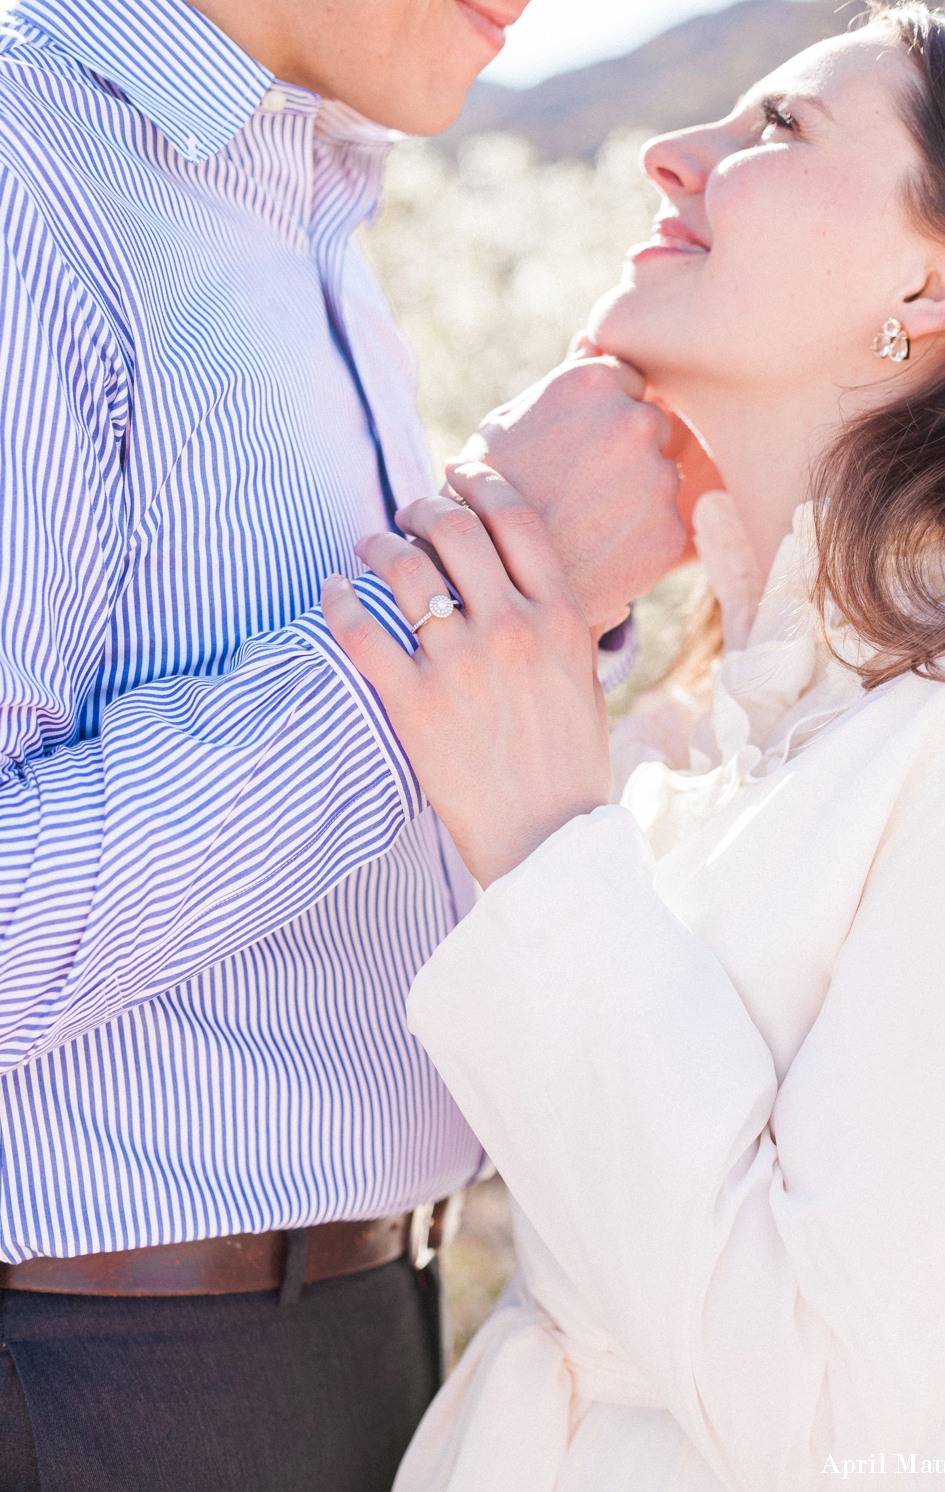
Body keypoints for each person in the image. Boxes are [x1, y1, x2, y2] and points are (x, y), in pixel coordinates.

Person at [0, 1, 687, 1488]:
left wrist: (512, 598)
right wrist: (478, 598)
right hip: (102, 1369)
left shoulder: (290, 203)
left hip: (332, 1338)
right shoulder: (26, 179)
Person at [322, 5, 945, 1486]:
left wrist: (549, 846)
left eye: (777, 130)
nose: (664, 155)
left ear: (937, 276)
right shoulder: (709, 724)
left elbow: (824, 1401)